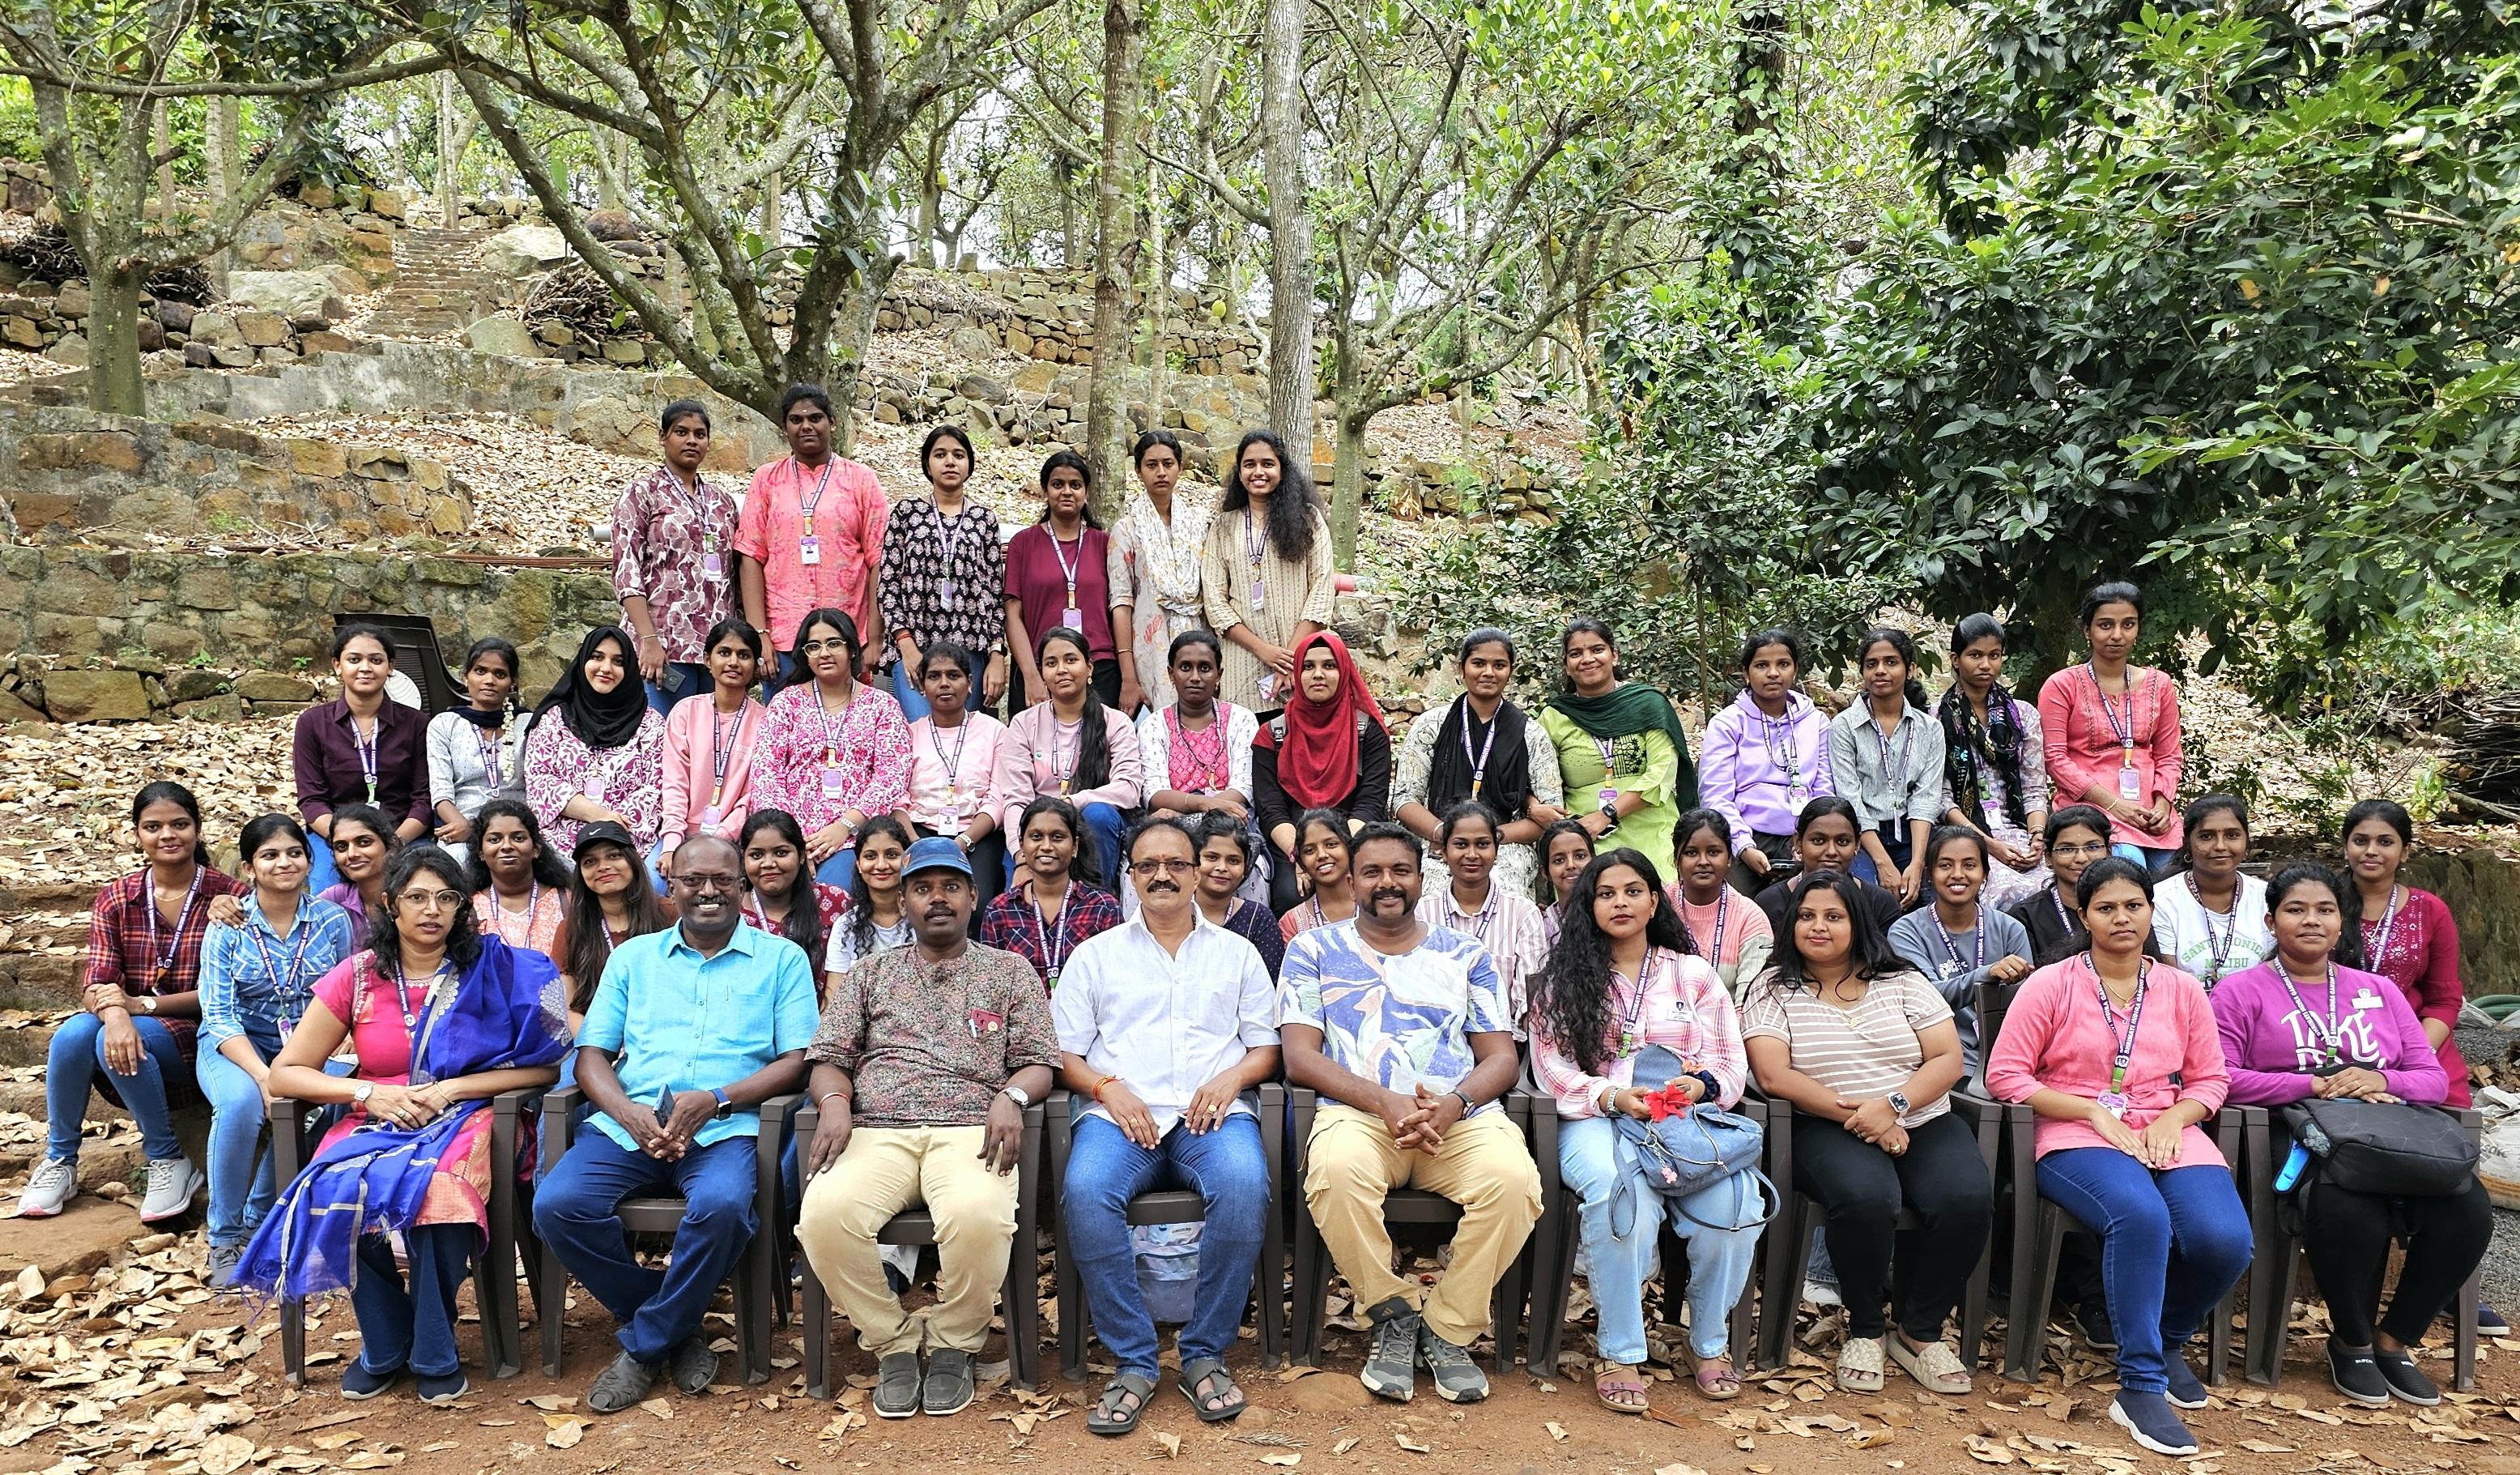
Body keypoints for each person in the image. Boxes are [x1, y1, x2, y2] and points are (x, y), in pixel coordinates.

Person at [236, 845, 568, 1405]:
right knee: (341, 1188)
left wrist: (452, 1089)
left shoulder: (500, 968)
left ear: (463, 907)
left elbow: (546, 1065)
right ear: (391, 905)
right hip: (378, 1118)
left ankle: (434, 1345)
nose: (431, 909)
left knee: (440, 1189)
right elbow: (287, 1072)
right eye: (416, 897)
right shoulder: (359, 976)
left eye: (446, 897)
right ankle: (386, 1342)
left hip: (474, 1115)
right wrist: (369, 1092)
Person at [535, 833, 819, 1411]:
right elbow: (591, 1056)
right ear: (673, 885)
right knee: (558, 1206)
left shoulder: (782, 959)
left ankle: (644, 1345)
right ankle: (675, 1323)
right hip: (631, 1126)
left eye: (722, 880)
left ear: (742, 885)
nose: (708, 891)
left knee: (722, 1207)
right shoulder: (633, 958)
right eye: (693, 880)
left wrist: (717, 1099)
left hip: (726, 1129)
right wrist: (626, 1112)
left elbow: (797, 1061)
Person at [1982, 858, 2251, 1457]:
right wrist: (2090, 1111)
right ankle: (2140, 1385)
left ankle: (2167, 1336)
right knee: (2141, 1217)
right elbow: (2006, 1074)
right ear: (2084, 916)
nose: (2121, 917)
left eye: (2134, 905)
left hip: (2165, 1126)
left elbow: (2211, 1079)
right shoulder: (2051, 983)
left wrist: (2175, 1118)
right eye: (2106, 907)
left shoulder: (2181, 988)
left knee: (2225, 1240)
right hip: (2074, 1132)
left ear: (2152, 911)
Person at [794, 837, 1058, 1418]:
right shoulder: (869, 973)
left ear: (973, 897)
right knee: (823, 1216)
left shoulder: (1009, 971)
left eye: (950, 887)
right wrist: (834, 1100)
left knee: (978, 1214)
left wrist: (1012, 1094)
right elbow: (829, 1056)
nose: (937, 898)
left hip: (971, 1128)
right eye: (922, 888)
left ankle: (953, 1342)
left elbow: (1040, 1059)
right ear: (903, 900)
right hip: (876, 1130)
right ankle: (891, 1340)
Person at [1280, 824, 1539, 1404]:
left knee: (1515, 1182)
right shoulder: (1313, 949)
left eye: (1400, 870)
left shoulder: (1465, 954)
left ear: (1423, 879)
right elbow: (1300, 1057)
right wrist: (1383, 1100)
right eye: (1372, 872)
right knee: (1336, 1172)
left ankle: (1447, 1326)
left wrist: (1454, 1104)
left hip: (1456, 1120)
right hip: (1360, 1117)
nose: (1387, 883)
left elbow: (1502, 1057)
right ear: (1352, 881)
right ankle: (1393, 1312)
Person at [2211, 863, 2488, 1405]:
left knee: (2468, 1209)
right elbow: (2221, 1075)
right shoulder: (2240, 991)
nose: (2311, 920)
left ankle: (2394, 1340)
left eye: (2325, 910)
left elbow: (2431, 1078)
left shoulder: (2379, 990)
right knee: (2346, 1205)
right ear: (2270, 921)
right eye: (2295, 909)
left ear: (2343, 923)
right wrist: (2312, 1084)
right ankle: (2353, 1341)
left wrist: (2379, 1078)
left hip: (2388, 1134)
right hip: (2297, 1139)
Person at [1056, 817, 1278, 1432]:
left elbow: (1266, 1046)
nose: (1162, 875)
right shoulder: (1095, 956)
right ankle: (1134, 1358)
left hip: (1211, 1115)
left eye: (1176, 863)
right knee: (1085, 1190)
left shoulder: (1237, 952)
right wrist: (1106, 1087)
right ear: (1130, 876)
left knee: (1243, 1184)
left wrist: (1231, 1079)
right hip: (1120, 1116)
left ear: (1197, 872)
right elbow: (1065, 1053)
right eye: (1148, 865)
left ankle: (1204, 1351)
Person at [1745, 870, 1993, 1395]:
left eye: (1833, 916)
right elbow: (1774, 1075)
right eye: (1807, 915)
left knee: (1966, 1198)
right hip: (1824, 1124)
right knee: (1867, 1197)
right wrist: (1865, 1118)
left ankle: (1919, 1329)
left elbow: (1947, 1059)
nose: (1818, 926)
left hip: (1919, 1116)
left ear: (1857, 923)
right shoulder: (1772, 988)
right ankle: (1866, 1326)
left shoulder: (1901, 979)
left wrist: (1892, 1107)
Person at [1532, 850, 1761, 1409]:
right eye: (1606, 893)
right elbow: (1550, 1066)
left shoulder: (1694, 974)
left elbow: (1731, 1061)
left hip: (1680, 1120)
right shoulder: (1563, 978)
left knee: (1736, 1204)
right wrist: (1610, 1096)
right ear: (1589, 906)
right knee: (1618, 1194)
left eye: (1633, 891)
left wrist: (1699, 1086)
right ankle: (1621, 1349)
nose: (1621, 902)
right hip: (1597, 1116)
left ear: (1655, 901)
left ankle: (1707, 1342)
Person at [21, 782, 241, 1223]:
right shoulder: (117, 897)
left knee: (111, 1036)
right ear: (136, 834)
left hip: (203, 1032)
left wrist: (138, 1008)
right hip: (128, 1022)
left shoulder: (228, 897)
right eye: (153, 826)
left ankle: (167, 1158)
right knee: (73, 1034)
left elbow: (228, 991)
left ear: (198, 830)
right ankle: (60, 1160)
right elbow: (97, 981)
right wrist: (119, 1013)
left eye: (180, 824)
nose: (168, 835)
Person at [2339, 799, 2498, 1332]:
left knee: (2449, 1166)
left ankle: (2444, 1285)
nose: (2372, 850)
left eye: (2385, 841)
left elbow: (2446, 997)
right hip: (2339, 1051)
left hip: (2420, 1053)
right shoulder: (2324, 901)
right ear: (2346, 846)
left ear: (2405, 851)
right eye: (2361, 839)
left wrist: (2410, 1057)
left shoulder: (2430, 910)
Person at [194, 814, 361, 1285]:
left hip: (309, 1046)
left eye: (294, 853)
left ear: (310, 861)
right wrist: (266, 1076)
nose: (284, 863)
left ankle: (260, 1218)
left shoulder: (332, 920)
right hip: (235, 1045)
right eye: (269, 855)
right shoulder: (228, 925)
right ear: (249, 868)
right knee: (241, 1105)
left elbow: (345, 995)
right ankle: (224, 1238)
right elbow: (219, 1014)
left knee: (334, 1098)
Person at [735, 384, 889, 693]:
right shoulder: (767, 480)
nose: (806, 426)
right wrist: (760, 635)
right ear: (785, 427)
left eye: (815, 418)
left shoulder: (860, 479)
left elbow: (879, 559)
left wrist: (874, 637)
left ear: (832, 422)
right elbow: (751, 555)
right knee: (786, 719)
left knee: (847, 720)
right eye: (796, 420)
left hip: (848, 635)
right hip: (784, 636)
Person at [751, 607, 913, 890]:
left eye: (834, 643)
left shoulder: (882, 705)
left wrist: (845, 826)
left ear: (852, 649)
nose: (824, 653)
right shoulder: (786, 703)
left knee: (832, 894)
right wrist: (790, 840)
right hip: (789, 839)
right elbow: (766, 773)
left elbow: (892, 775)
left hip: (855, 837)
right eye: (814, 646)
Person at [1394, 629, 1564, 898]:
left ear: (1510, 671)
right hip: (1437, 842)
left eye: (1499, 665)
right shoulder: (1431, 725)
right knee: (1434, 894)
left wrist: (1488, 838)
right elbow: (1405, 799)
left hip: (1506, 846)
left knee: (1502, 894)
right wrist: (1446, 834)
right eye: (1478, 663)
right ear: (1461, 668)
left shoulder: (1531, 734)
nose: (1488, 672)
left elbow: (1550, 815)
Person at [2038, 582, 2184, 872]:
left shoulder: (2160, 684)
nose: (2117, 635)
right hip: (2091, 811)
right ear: (2087, 630)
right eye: (2106, 625)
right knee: (2128, 867)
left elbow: (2169, 755)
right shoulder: (2062, 685)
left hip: (2151, 813)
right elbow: (2054, 759)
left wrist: (2163, 804)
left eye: (2128, 624)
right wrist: (2115, 805)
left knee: (2179, 873)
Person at [613, 399, 740, 715]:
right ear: (663, 437)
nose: (691, 440)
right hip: (664, 646)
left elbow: (735, 575)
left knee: (709, 735)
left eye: (700, 434)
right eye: (681, 432)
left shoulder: (722, 502)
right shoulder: (642, 493)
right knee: (661, 733)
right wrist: (648, 639)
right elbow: (627, 571)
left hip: (716, 649)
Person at [1539, 618, 1696, 870]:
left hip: (1652, 825)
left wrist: (1607, 814)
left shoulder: (1647, 704)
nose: (1587, 659)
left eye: (1597, 649)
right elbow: (1536, 776)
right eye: (1576, 653)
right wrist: (1537, 809)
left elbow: (1662, 772)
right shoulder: (1554, 717)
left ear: (1614, 656)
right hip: (1582, 832)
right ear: (1567, 666)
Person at [993, 625, 1143, 889]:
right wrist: (1020, 856)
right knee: (1018, 898)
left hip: (1090, 826)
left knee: (1099, 814)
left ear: (1089, 668)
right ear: (1042, 673)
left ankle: (1097, 900)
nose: (1061, 669)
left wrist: (1074, 802)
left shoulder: (1116, 722)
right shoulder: (1024, 723)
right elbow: (1016, 800)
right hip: (1038, 832)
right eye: (1051, 663)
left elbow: (1129, 788)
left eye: (1070, 660)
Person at [878, 424, 1008, 722]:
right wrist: (906, 645)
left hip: (969, 651)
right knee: (920, 731)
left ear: (969, 464)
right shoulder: (906, 514)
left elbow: (995, 594)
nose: (950, 462)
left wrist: (997, 655)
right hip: (916, 647)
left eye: (958, 455)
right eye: (940, 455)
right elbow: (887, 585)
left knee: (963, 739)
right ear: (928, 464)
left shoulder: (984, 519)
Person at [1254, 631, 1391, 912]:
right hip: (1292, 843)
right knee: (1291, 896)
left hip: (1355, 838)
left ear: (1344, 672)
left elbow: (1371, 803)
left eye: (1329, 665)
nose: (1318, 674)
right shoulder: (1272, 735)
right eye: (1308, 666)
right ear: (1297, 674)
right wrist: (1303, 854)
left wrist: (1336, 853)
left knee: (1370, 895)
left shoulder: (1367, 732)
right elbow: (1271, 810)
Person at [1201, 428, 1337, 711]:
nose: (1258, 472)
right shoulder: (1223, 526)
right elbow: (1215, 601)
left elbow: (1322, 590)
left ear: (1282, 469)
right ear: (1239, 473)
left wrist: (1289, 659)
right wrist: (1264, 651)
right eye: (1249, 465)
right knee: (1247, 735)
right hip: (1243, 662)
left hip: (1302, 662)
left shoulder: (1309, 519)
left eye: (1268, 464)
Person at [1888, 826, 2033, 1078]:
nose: (1957, 874)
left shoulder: (2010, 928)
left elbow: (2028, 1003)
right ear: (1930, 873)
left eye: (1969, 865)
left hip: (2007, 1058)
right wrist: (1988, 973)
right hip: (1939, 1061)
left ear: (1984, 873)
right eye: (1945, 865)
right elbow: (1925, 999)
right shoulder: (1906, 931)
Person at [1699, 628, 1835, 895]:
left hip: (1803, 838)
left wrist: (1811, 839)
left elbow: (1824, 790)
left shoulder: (1816, 722)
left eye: (1783, 664)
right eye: (1762, 665)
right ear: (1746, 673)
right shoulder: (1727, 723)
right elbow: (1716, 796)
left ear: (1795, 670)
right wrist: (1743, 846)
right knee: (1739, 907)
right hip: (1744, 835)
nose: (1773, 673)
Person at [296, 624, 431, 892]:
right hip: (334, 836)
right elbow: (312, 800)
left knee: (417, 889)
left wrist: (394, 842)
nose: (365, 668)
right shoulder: (313, 723)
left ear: (390, 667)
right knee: (327, 888)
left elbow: (424, 800)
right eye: (354, 660)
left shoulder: (417, 723)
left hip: (402, 834)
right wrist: (345, 841)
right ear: (337, 665)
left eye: (376, 660)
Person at [521, 625, 667, 860]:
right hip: (558, 841)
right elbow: (540, 779)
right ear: (583, 661)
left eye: (618, 661)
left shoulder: (651, 723)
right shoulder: (553, 718)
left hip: (626, 841)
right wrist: (599, 816)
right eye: (597, 657)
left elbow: (656, 787)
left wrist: (610, 829)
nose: (606, 668)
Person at [1936, 615, 2049, 910]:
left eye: (1994, 655)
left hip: (2021, 831)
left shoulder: (2022, 716)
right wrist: (1990, 845)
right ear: (1955, 659)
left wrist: (2037, 837)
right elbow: (1942, 799)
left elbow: (2034, 788)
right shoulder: (1935, 719)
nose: (1986, 665)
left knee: (2052, 887)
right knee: (2009, 892)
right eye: (1975, 655)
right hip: (1965, 835)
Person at [1828, 629, 1945, 904]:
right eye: (1872, 664)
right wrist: (1882, 862)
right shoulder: (1844, 727)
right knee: (1872, 900)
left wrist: (1917, 863)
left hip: (1914, 834)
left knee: (1935, 898)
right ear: (1863, 672)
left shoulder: (1930, 729)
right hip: (1863, 836)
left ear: (1910, 669)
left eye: (1891, 662)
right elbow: (1850, 798)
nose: (1880, 670)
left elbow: (1926, 798)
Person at [1107, 429, 1215, 716]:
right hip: (1150, 646)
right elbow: (1121, 603)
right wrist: (1129, 678)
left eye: (1168, 464)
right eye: (1151, 465)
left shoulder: (1200, 523)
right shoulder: (1126, 530)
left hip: (1199, 637)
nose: (1161, 473)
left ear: (1180, 467)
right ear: (1138, 472)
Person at [1004, 450, 1121, 710]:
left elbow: (1120, 610)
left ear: (1086, 492)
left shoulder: (1106, 544)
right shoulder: (1023, 544)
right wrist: (1031, 676)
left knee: (1095, 737)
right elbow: (1012, 615)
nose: (1067, 492)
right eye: (1058, 484)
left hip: (1098, 667)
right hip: (1040, 666)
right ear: (1046, 491)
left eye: (1075, 485)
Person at [1415, 802, 1547, 1033]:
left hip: (1506, 1039)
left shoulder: (1522, 914)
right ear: (1444, 852)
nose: (1472, 854)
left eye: (1483, 844)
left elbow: (1530, 999)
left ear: (1496, 851)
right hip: (1437, 1038)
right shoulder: (1422, 913)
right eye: (1461, 844)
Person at [658, 618, 767, 878]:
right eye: (724, 653)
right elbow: (674, 784)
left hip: (736, 839)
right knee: (655, 885)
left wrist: (719, 839)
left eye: (744, 655)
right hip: (681, 835)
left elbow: (754, 795)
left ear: (755, 666)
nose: (733, 662)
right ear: (708, 660)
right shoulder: (685, 712)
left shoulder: (766, 721)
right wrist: (671, 845)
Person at [978, 796, 1124, 989]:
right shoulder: (1000, 911)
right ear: (1022, 845)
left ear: (1075, 846)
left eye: (1057, 837)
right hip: (1019, 1009)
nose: (1046, 846)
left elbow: (1116, 984)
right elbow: (992, 987)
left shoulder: (1102, 908)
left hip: (1087, 1009)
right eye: (1036, 837)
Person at [904, 640, 1009, 896]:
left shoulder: (995, 731)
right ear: (922, 686)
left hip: (978, 834)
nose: (944, 684)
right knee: (917, 900)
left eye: (953, 675)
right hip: (917, 832)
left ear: (970, 682)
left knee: (975, 903)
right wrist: (917, 843)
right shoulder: (907, 733)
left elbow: (997, 798)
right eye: (934, 677)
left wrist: (964, 841)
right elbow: (897, 797)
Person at [556, 821, 675, 1042]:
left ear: (633, 860)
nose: (603, 867)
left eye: (613, 856)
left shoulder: (669, 915)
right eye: (590, 861)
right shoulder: (570, 929)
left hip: (661, 1038)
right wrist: (598, 1049)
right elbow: (569, 1007)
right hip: (592, 1039)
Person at [1135, 631, 1259, 839]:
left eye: (1205, 668)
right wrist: (1204, 805)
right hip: (1172, 827)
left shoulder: (1241, 719)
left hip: (1229, 826)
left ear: (1218, 675)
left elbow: (1244, 787)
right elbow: (1154, 793)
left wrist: (1207, 811)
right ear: (1171, 674)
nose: (1195, 677)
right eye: (1185, 667)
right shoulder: (1154, 725)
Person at [2152, 795, 2272, 989]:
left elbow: (2274, 976)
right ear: (2187, 844)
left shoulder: (2266, 898)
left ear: (2247, 842)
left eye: (2232, 835)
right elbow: (2170, 983)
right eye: (2206, 837)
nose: (2220, 846)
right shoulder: (2162, 900)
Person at [425, 637, 526, 863]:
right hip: (463, 824)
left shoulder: (528, 723)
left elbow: (539, 786)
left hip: (520, 825)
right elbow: (441, 791)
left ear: (512, 683)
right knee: (455, 866)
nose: (489, 680)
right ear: (465, 676)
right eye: (480, 671)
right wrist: (466, 827)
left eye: (500, 674)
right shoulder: (445, 724)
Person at [1755, 798, 1901, 937]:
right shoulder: (1770, 903)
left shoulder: (1880, 903)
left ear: (1857, 844)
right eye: (1818, 840)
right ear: (1798, 842)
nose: (1831, 851)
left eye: (1843, 842)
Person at [1666, 808, 1774, 993]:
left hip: (1730, 1011)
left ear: (1729, 858)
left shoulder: (1750, 918)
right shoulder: (1658, 906)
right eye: (1691, 853)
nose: (1703, 861)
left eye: (1713, 852)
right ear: (1677, 860)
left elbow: (1750, 1000)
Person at [738, 808, 853, 981]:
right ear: (744, 859)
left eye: (781, 853)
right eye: (756, 855)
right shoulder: (732, 912)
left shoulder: (834, 902)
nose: (768, 863)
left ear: (801, 855)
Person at [2007, 804, 2120, 966]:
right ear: (2048, 858)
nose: (2081, 858)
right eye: (2067, 849)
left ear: (2108, 852)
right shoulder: (2025, 916)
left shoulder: (2126, 907)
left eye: (2093, 847)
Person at [466, 799, 571, 964]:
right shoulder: (468, 907)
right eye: (495, 840)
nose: (507, 846)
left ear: (536, 849)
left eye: (518, 838)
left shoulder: (567, 901)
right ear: (480, 852)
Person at [1193, 811, 1286, 977]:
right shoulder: (1174, 913)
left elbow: (1269, 984)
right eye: (1212, 857)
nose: (1222, 868)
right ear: (1194, 862)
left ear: (1245, 868)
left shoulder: (1259, 920)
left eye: (1233, 861)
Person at [825, 816, 914, 978]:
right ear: (859, 864)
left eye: (892, 855)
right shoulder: (846, 926)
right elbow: (834, 991)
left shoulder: (924, 921)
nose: (881, 865)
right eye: (870, 856)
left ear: (906, 861)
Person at [1278, 810, 1359, 942]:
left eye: (1331, 845)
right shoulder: (1292, 924)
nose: (1322, 855)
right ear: (1301, 862)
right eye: (1310, 850)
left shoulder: (1377, 903)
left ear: (1349, 848)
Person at [1537, 818, 1595, 949]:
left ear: (1593, 860)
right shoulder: (1540, 925)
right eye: (1559, 860)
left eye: (1580, 856)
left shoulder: (1608, 914)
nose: (1571, 865)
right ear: (1545, 872)